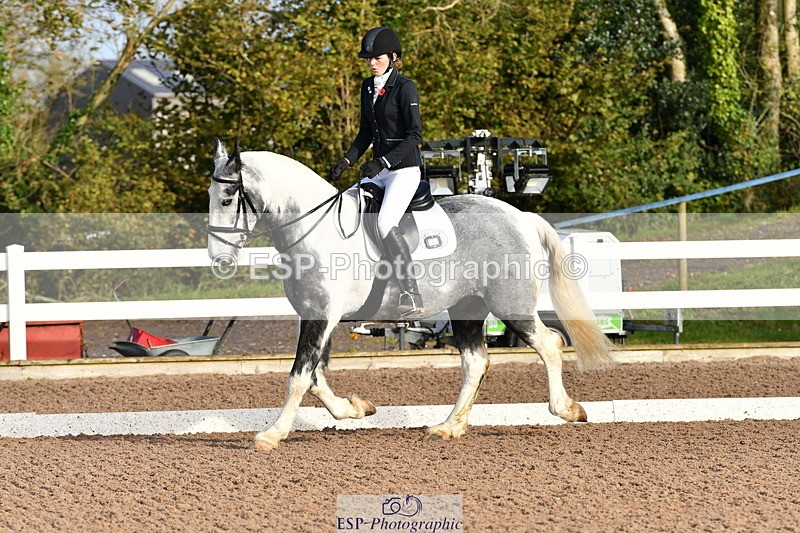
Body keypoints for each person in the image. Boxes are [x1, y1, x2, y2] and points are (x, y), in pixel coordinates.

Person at [330, 26, 425, 317]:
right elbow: (365, 132)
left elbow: (414, 135)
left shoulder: (405, 87)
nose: (371, 63)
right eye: (368, 59)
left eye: (377, 58)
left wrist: (382, 162)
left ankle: (412, 292)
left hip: (404, 170)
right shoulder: (367, 86)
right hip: (379, 170)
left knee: (384, 223)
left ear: (393, 57)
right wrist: (346, 162)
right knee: (344, 206)